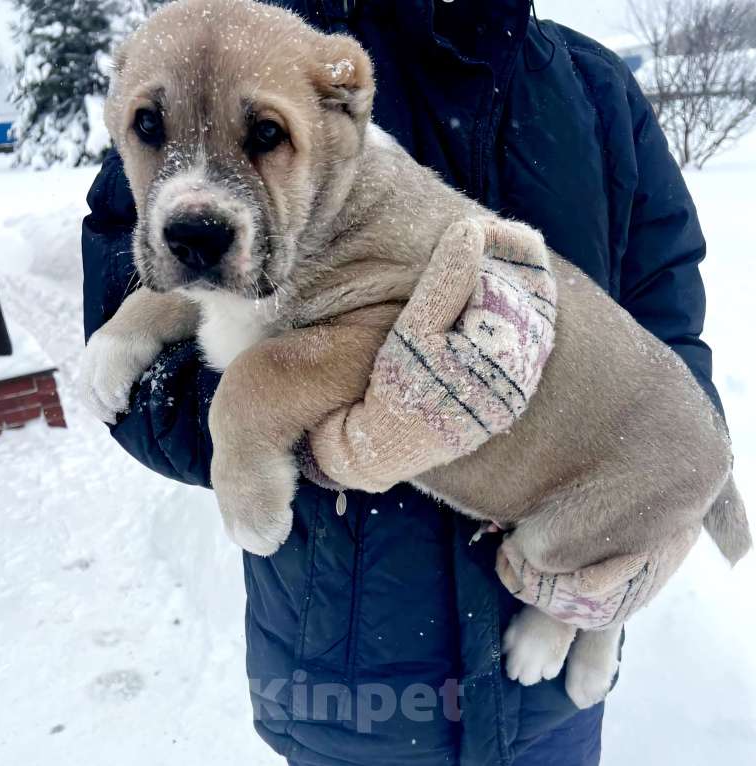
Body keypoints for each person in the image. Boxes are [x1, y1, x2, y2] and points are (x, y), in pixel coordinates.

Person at [81, 1, 722, 764]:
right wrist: (297, 440)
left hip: (542, 707)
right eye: (150, 129)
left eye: (263, 137)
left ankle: (584, 619)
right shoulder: (214, 47)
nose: (196, 193)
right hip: (345, 680)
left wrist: (655, 510)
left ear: (344, 103)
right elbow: (156, 371)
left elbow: (667, 318)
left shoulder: (593, 87)